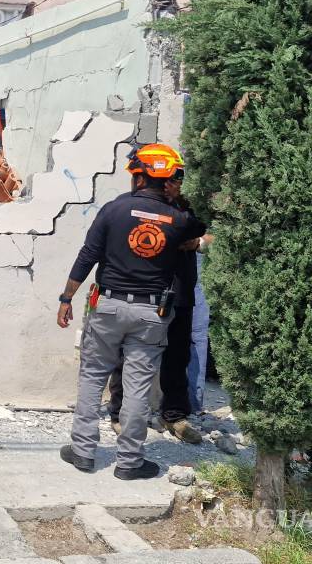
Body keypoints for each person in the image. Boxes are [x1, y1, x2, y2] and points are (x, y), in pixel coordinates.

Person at [56, 143, 206, 480]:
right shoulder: (178, 220)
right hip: (151, 313)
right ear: (167, 180)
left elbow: (87, 256)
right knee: (138, 386)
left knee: (93, 376)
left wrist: (66, 298)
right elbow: (203, 225)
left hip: (107, 305)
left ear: (138, 178)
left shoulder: (113, 209)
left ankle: (82, 453)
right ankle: (129, 463)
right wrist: (177, 198)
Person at [106, 172, 210, 444]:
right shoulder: (139, 205)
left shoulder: (188, 209)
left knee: (177, 356)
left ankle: (174, 414)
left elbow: (208, 229)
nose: (171, 186)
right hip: (145, 291)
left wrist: (198, 240)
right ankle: (118, 413)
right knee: (128, 353)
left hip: (180, 290)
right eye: (167, 180)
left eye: (176, 181)